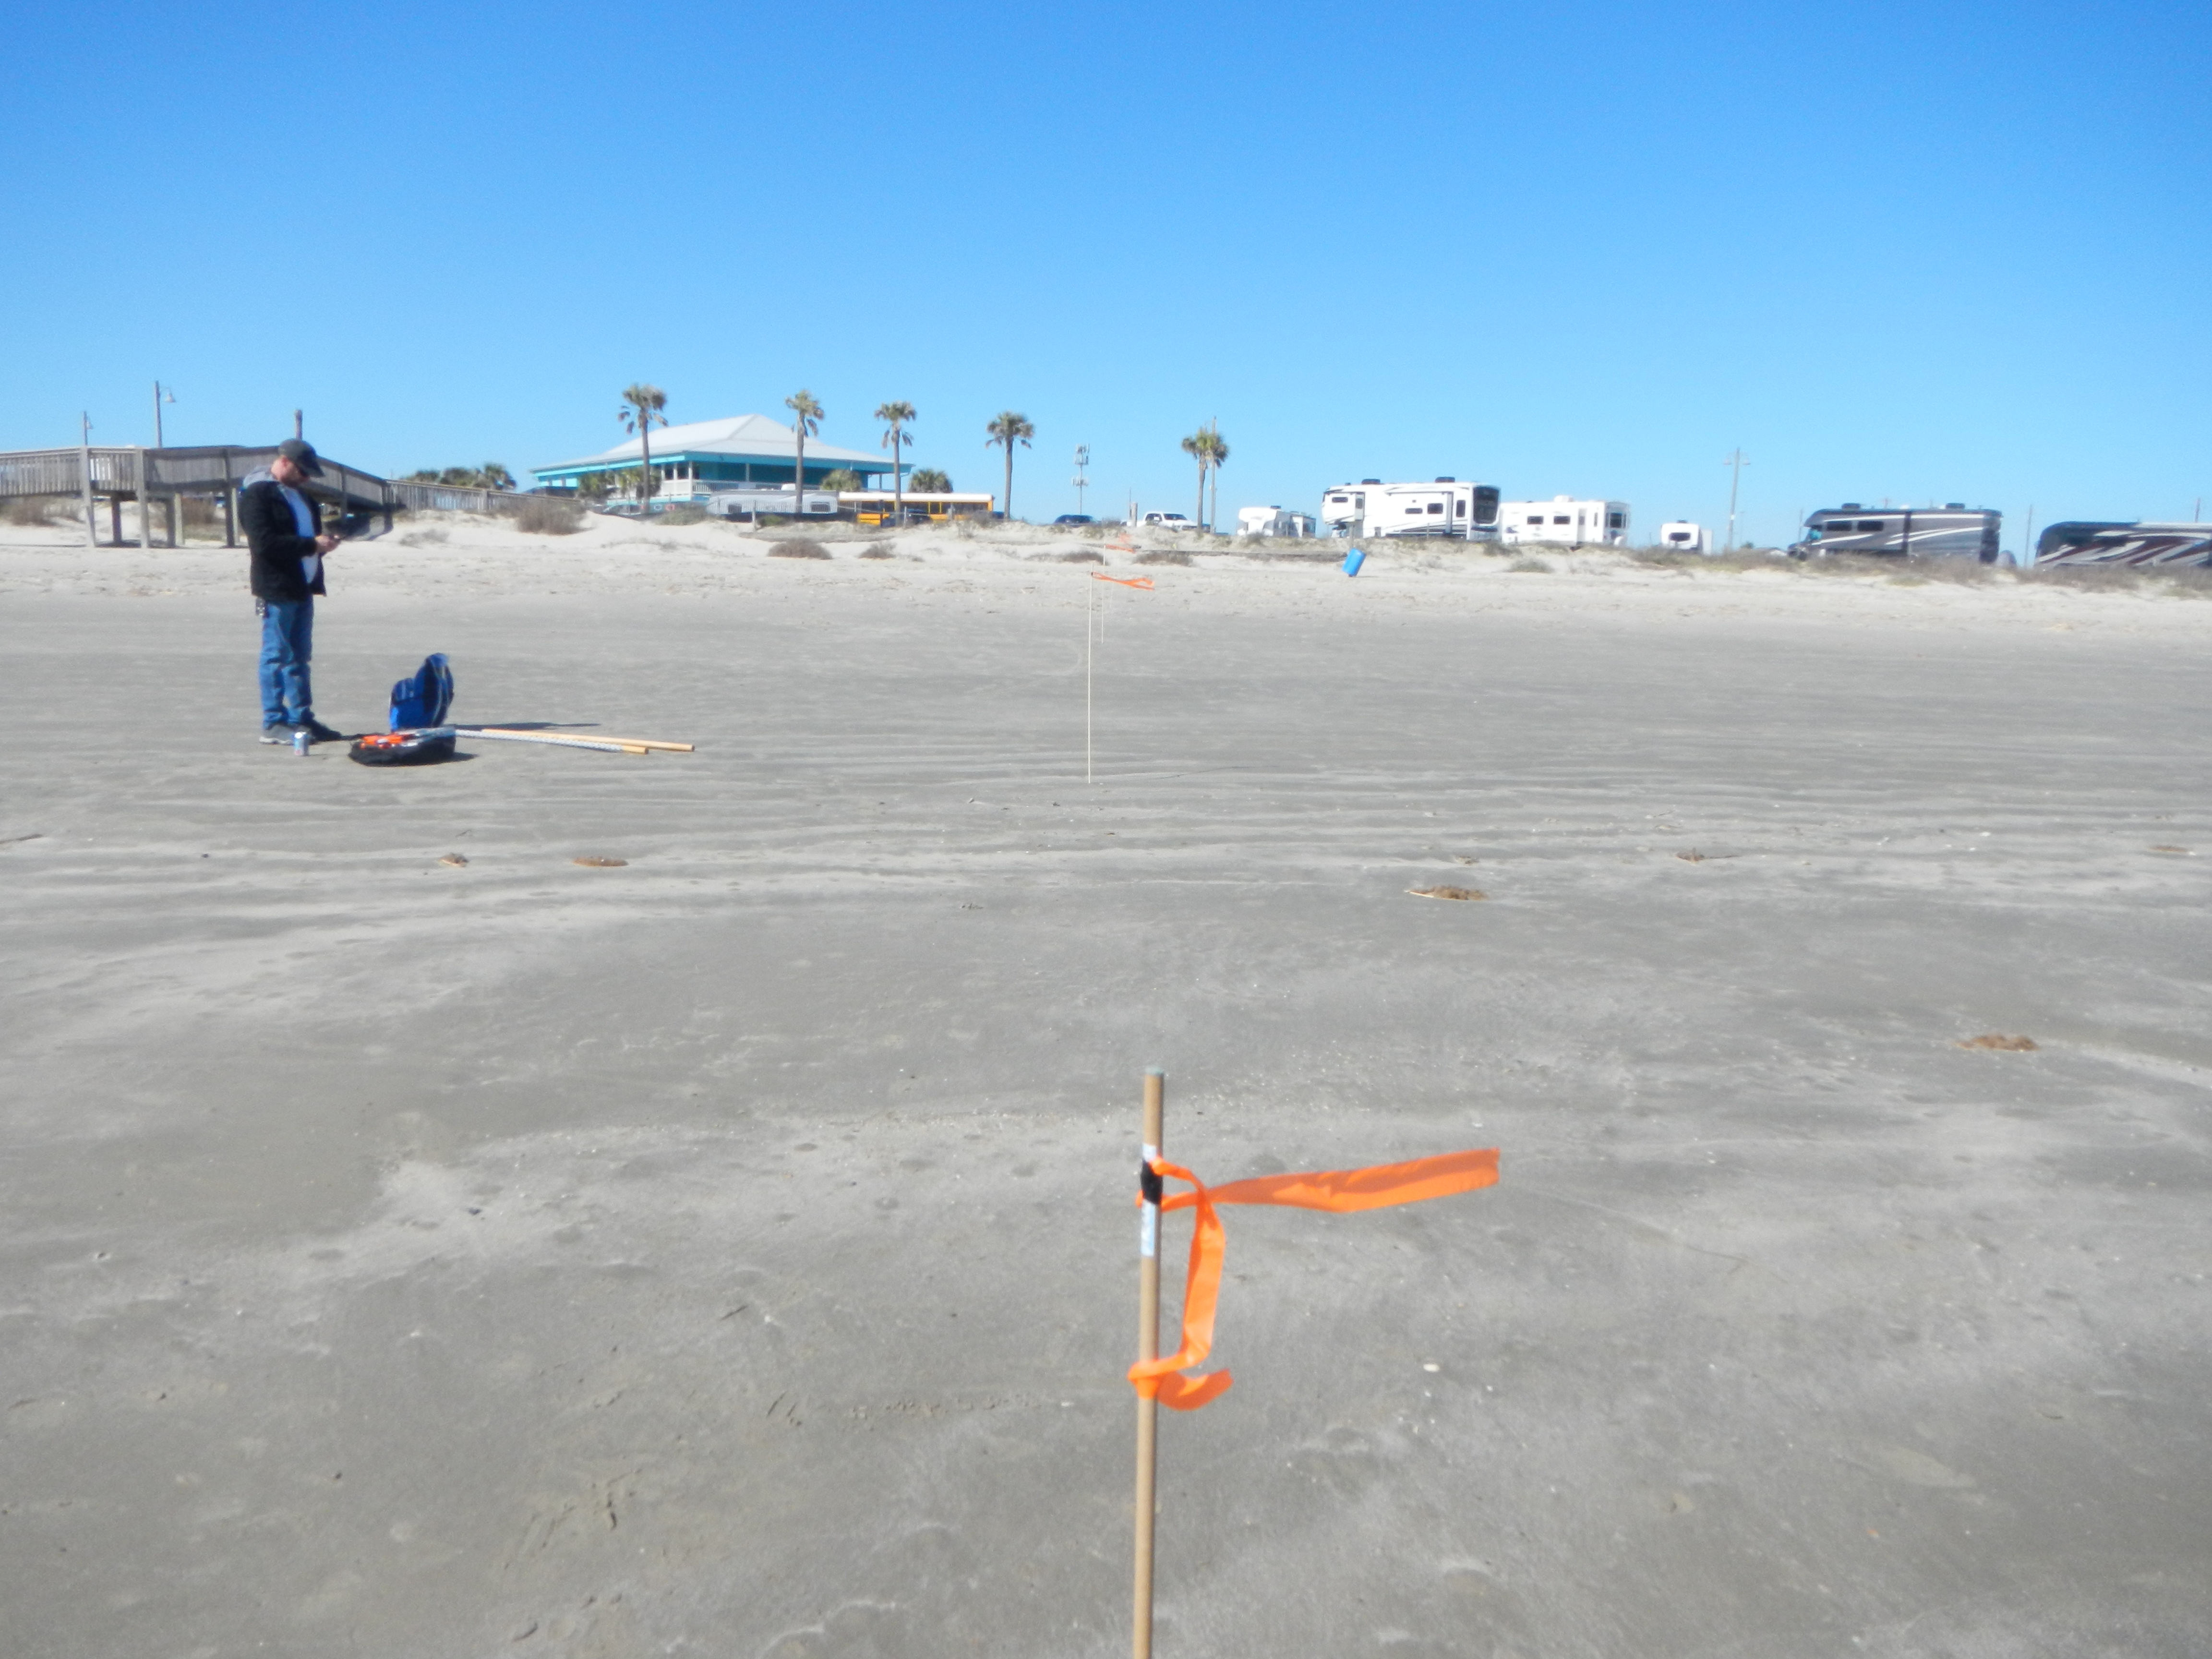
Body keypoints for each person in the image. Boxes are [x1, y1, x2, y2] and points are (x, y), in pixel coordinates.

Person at [242, 438, 343, 743]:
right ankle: (273, 722)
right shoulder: (258, 494)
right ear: (285, 462)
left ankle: (302, 719)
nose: (306, 478)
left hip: (303, 587)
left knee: (300, 657)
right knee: (276, 655)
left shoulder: (304, 499)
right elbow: (264, 543)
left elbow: (308, 541)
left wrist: (324, 545)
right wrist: (312, 545)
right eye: (302, 471)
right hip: (276, 587)